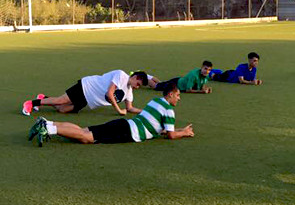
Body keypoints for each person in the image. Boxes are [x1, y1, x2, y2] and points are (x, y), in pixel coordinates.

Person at [27, 81, 194, 147]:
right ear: (171, 94)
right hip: (127, 131)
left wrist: (179, 130)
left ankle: (48, 123)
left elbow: (159, 128)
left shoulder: (155, 102)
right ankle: (48, 129)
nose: (179, 98)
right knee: (86, 138)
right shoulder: (169, 110)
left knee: (84, 131)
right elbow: (170, 135)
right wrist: (184, 133)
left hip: (125, 124)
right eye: (178, 95)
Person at [22, 70, 147, 116]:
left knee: (62, 109)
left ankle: (44, 98)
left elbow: (130, 108)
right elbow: (110, 94)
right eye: (138, 84)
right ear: (136, 77)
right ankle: (31, 103)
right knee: (61, 100)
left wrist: (145, 111)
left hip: (88, 100)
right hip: (86, 87)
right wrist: (119, 110)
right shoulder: (121, 75)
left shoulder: (129, 92)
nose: (137, 87)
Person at [148, 61, 213, 94]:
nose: (207, 71)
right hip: (175, 84)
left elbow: (202, 84)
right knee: (156, 86)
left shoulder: (206, 75)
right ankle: (145, 78)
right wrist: (201, 91)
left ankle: (148, 78)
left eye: (209, 70)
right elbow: (188, 90)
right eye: (205, 69)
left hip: (179, 81)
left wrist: (205, 88)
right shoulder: (194, 75)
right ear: (201, 67)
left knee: (161, 83)